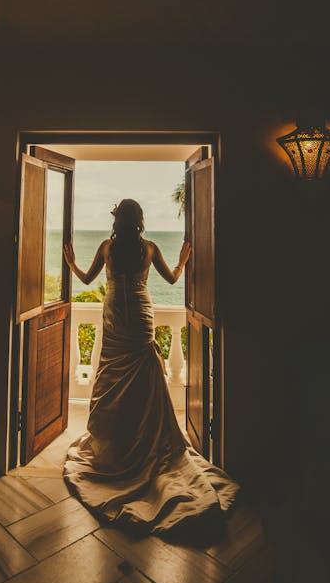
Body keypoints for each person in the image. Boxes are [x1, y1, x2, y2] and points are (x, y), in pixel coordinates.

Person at [63, 198, 240, 540]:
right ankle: (144, 439)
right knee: (143, 377)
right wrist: (184, 261)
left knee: (111, 377)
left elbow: (86, 280)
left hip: (115, 315)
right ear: (140, 221)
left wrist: (71, 264)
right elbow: (173, 279)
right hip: (140, 318)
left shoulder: (105, 248)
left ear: (117, 221)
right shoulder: (150, 248)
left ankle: (116, 441)